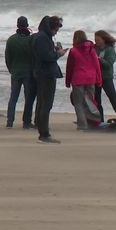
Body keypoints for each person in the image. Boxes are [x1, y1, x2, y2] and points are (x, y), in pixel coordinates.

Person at [32, 16, 67, 144]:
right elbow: (45, 56)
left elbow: (44, 54)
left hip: (43, 73)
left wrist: (55, 51)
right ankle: (44, 134)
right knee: (45, 104)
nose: (57, 31)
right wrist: (59, 54)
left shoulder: (41, 36)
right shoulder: (42, 37)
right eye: (57, 28)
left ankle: (43, 131)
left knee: (43, 103)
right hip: (45, 74)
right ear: (52, 26)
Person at [65, 30, 102, 130]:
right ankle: (91, 123)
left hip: (78, 79)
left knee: (78, 103)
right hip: (90, 78)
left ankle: (82, 125)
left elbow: (70, 67)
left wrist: (67, 81)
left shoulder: (73, 51)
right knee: (90, 102)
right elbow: (96, 65)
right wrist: (99, 79)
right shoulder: (91, 50)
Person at [4, 16, 35, 129]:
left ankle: (9, 121)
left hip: (15, 71)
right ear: (27, 25)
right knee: (29, 98)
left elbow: (7, 57)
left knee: (13, 97)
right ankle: (26, 121)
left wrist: (11, 69)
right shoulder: (31, 40)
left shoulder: (11, 39)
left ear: (17, 25)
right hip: (28, 72)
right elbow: (34, 57)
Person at [94, 30, 116, 123]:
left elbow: (108, 64)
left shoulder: (110, 50)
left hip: (106, 78)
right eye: (95, 40)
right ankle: (99, 119)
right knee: (96, 99)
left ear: (104, 39)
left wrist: (99, 59)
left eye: (98, 40)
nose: (96, 42)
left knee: (112, 97)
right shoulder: (93, 48)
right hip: (95, 78)